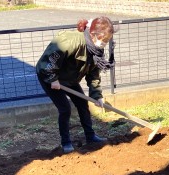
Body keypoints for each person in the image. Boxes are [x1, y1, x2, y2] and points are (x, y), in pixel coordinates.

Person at [36, 16, 116, 154]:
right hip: (49, 76)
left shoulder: (96, 50)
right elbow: (47, 62)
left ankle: (90, 136)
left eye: (107, 40)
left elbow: (93, 74)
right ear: (93, 34)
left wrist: (96, 95)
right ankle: (66, 142)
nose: (104, 43)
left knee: (82, 104)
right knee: (65, 109)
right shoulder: (69, 41)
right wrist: (52, 78)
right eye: (103, 39)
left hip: (70, 80)